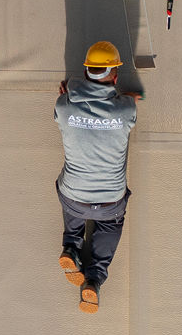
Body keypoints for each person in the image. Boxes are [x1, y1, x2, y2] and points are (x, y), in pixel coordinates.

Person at [55, 41, 139, 314]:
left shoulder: (65, 107)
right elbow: (126, 106)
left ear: (87, 70)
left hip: (74, 195)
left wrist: (71, 93)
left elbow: (64, 104)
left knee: (74, 203)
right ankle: (94, 276)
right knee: (109, 225)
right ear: (114, 74)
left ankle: (72, 247)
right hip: (109, 202)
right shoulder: (126, 109)